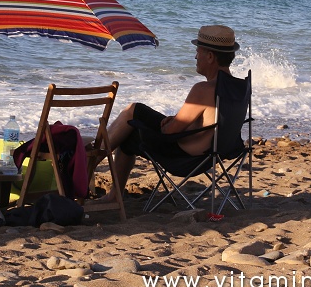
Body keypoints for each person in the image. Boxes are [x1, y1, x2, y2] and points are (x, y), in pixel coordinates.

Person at [98, 25, 240, 202]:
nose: (195, 57)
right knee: (131, 125)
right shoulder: (238, 88)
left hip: (183, 157)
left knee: (134, 111)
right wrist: (184, 122)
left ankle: (92, 160)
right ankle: (103, 172)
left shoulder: (203, 89)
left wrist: (170, 123)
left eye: (198, 52)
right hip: (213, 154)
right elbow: (213, 122)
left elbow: (170, 132)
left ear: (210, 57)